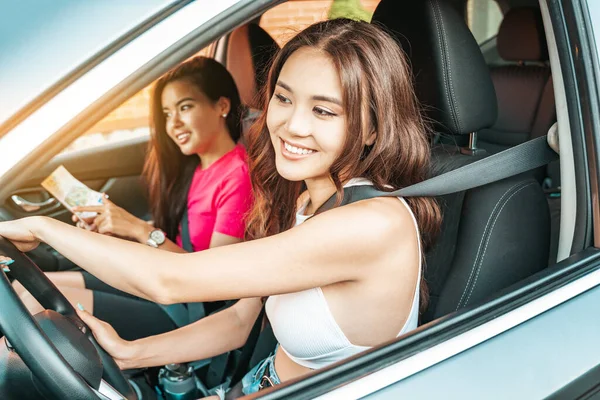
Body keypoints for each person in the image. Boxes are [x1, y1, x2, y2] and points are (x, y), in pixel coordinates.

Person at [0, 18, 440, 398]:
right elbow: (237, 321)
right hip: (257, 382)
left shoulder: (371, 223)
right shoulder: (306, 199)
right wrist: (133, 352)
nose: (292, 125)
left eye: (324, 111)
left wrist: (44, 228)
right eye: (284, 99)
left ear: (371, 128)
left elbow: (168, 280)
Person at [12, 56, 253, 341]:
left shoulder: (238, 176)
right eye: (166, 113)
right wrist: (117, 228)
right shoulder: (197, 167)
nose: (173, 123)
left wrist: (140, 230)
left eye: (185, 107)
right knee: (29, 287)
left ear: (221, 106)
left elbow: (215, 282)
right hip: (156, 279)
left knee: (35, 305)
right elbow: (177, 241)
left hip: (189, 308)